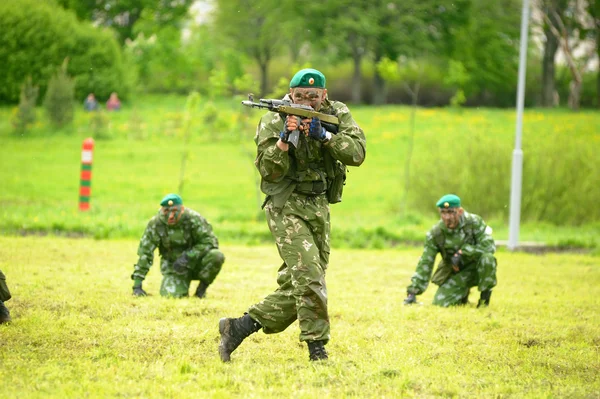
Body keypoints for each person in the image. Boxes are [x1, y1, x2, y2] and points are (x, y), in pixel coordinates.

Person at [218, 68, 366, 362]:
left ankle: (238, 328)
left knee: (303, 282)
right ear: (290, 94)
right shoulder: (274, 119)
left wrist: (324, 136)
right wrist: (285, 141)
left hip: (319, 204)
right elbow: (268, 171)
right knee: (309, 278)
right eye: (300, 96)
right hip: (286, 204)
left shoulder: (337, 113)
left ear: (324, 95)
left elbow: (357, 153)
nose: (307, 102)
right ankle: (317, 348)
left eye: (313, 96)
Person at [403, 194, 497, 308]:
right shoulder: (436, 233)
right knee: (440, 303)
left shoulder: (474, 222)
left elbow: (490, 246)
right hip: (457, 273)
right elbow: (425, 262)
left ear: (460, 211)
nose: (447, 217)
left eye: (451, 212)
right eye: (443, 213)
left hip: (478, 269)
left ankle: (484, 300)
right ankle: (462, 295)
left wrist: (463, 252)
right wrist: (413, 292)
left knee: (488, 259)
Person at [130, 194, 225, 298]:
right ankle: (180, 286)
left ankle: (201, 291)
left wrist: (188, 256)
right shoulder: (156, 224)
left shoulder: (194, 219)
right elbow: (145, 252)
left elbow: (210, 242)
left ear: (182, 209)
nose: (170, 216)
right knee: (171, 296)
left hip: (196, 263)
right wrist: (137, 285)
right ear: (161, 210)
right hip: (174, 267)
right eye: (166, 211)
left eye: (175, 211)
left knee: (216, 256)